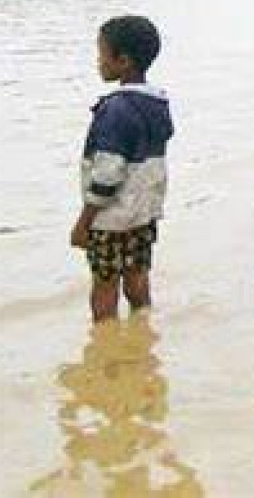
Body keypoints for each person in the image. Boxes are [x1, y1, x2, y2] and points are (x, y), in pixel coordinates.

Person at [70, 16, 174, 323]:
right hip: (143, 213)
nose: (98, 61)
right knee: (137, 276)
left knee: (104, 285)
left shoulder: (115, 109)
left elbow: (107, 175)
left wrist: (84, 222)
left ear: (123, 61)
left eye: (102, 54)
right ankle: (142, 331)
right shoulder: (158, 104)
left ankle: (105, 347)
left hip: (110, 219)